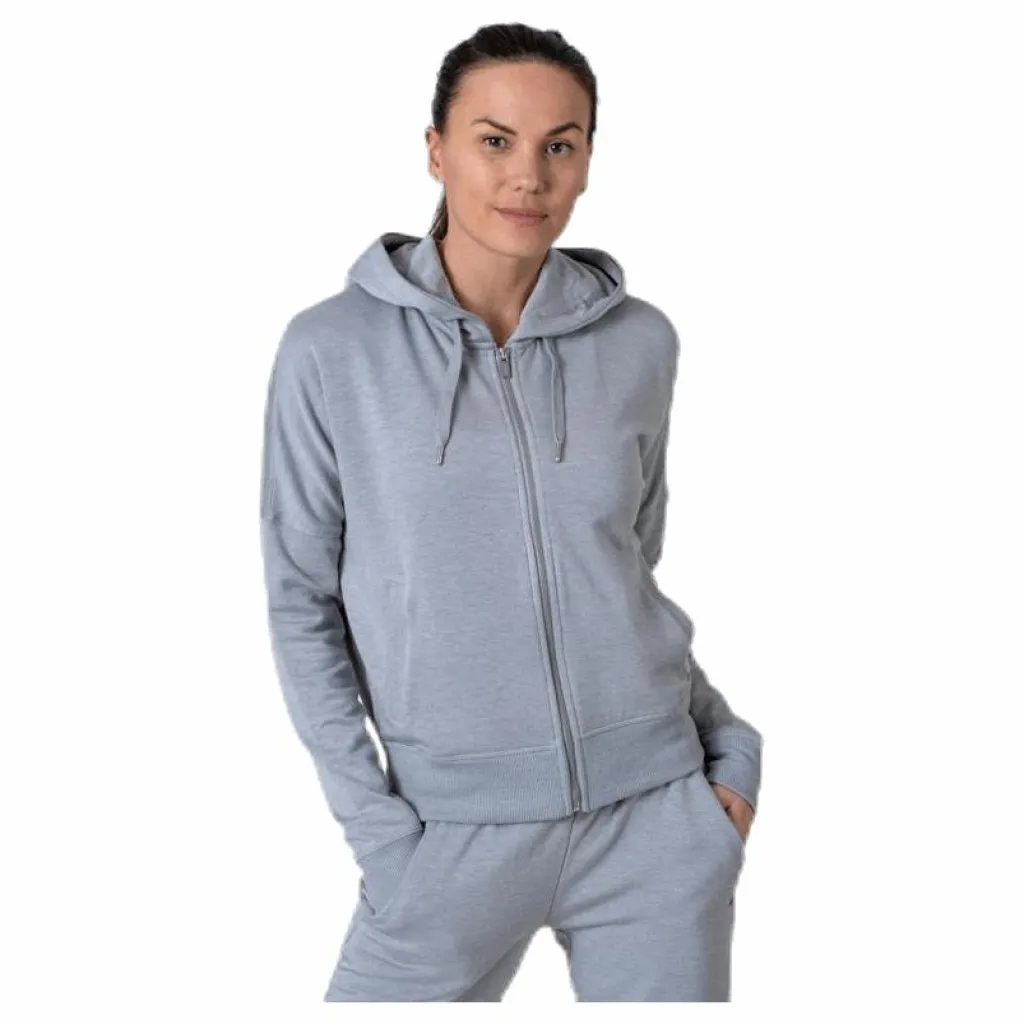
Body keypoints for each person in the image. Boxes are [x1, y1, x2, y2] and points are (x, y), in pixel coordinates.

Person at [259, 21, 764, 1002]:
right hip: (447, 838)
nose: (528, 175)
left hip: (654, 822)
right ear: (435, 149)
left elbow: (625, 565)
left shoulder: (640, 341)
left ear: (587, 161)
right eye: (494, 140)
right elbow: (300, 602)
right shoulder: (331, 350)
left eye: (558, 145)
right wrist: (382, 835)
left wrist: (726, 766)